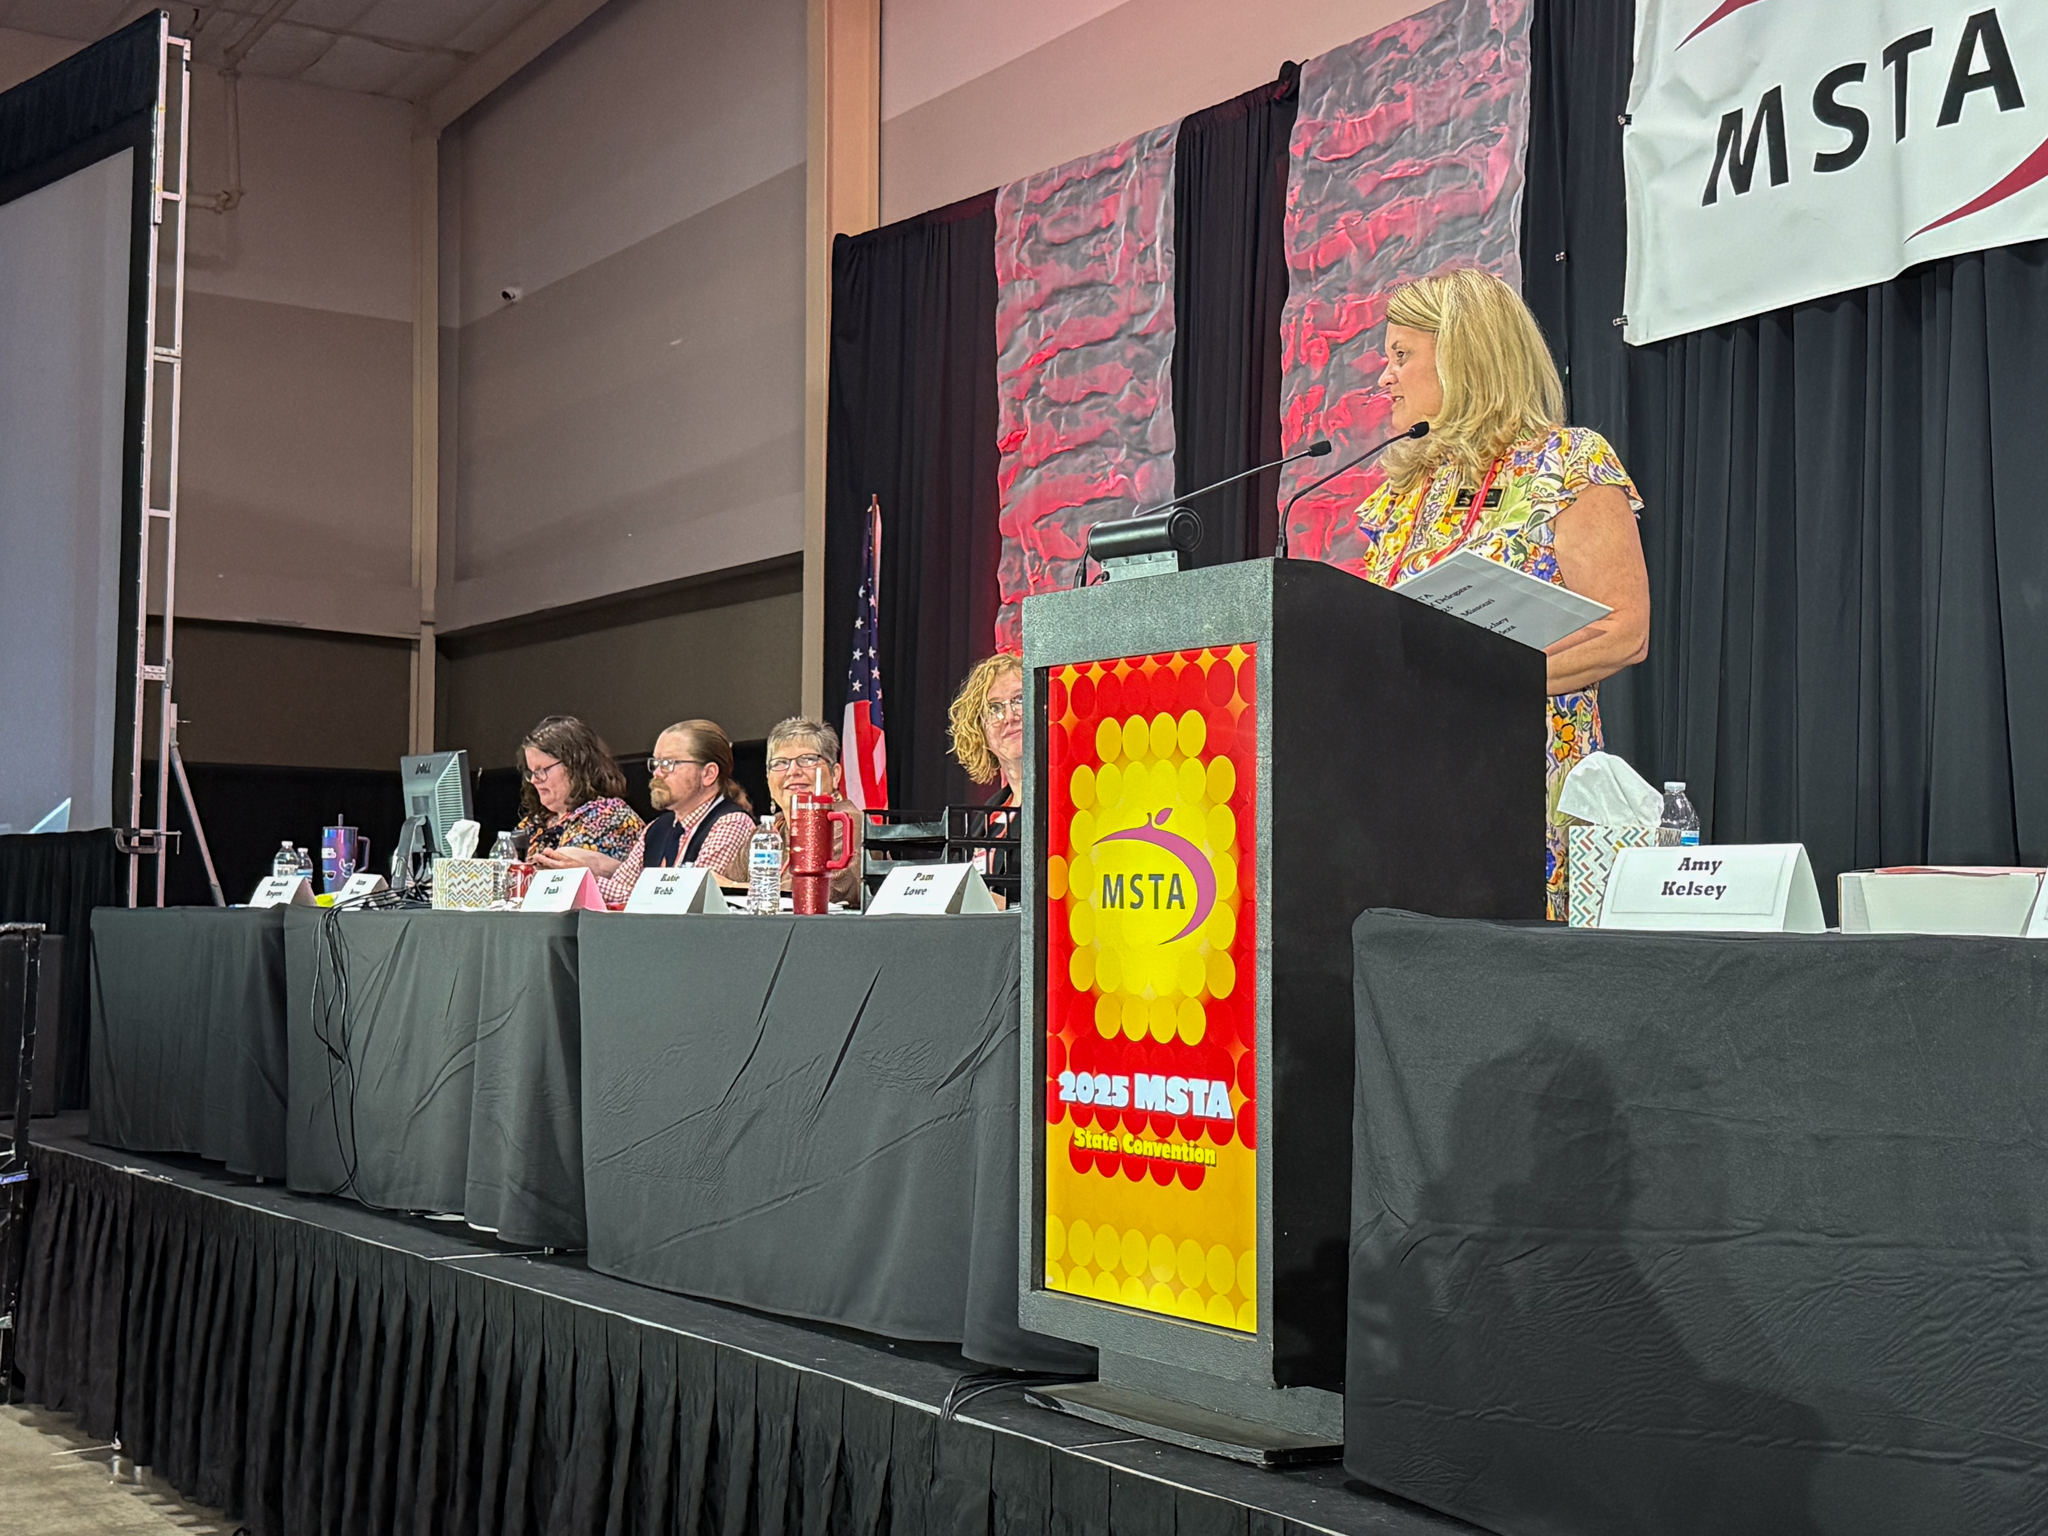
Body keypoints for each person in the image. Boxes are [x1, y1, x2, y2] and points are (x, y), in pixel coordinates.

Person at [1352, 268, 1650, 921]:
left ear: (1465, 354)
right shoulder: (1398, 501)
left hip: (1522, 805)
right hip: (1407, 805)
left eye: (1401, 355)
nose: (1384, 378)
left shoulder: (1569, 462)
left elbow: (1624, 630)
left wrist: (1487, 680)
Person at [595, 720, 757, 905]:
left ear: (708, 774)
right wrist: (575, 882)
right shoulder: (655, 828)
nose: (657, 773)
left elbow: (687, 898)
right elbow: (622, 887)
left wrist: (586, 883)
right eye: (655, 763)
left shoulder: (731, 823)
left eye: (668, 763)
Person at [713, 716, 863, 907]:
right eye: (779, 763)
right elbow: (723, 893)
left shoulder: (848, 822)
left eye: (808, 760)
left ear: (835, 775)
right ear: (768, 779)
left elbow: (820, 893)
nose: (792, 771)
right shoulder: (767, 831)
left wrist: (735, 886)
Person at [517, 715, 645, 885]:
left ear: (575, 766)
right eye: (531, 772)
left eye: (542, 770)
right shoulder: (533, 823)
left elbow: (560, 882)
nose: (534, 780)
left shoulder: (607, 814)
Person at [948, 652, 1025, 806]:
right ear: (979, 729)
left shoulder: (1072, 799)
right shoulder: (989, 817)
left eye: (1020, 699)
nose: (1010, 716)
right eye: (994, 708)